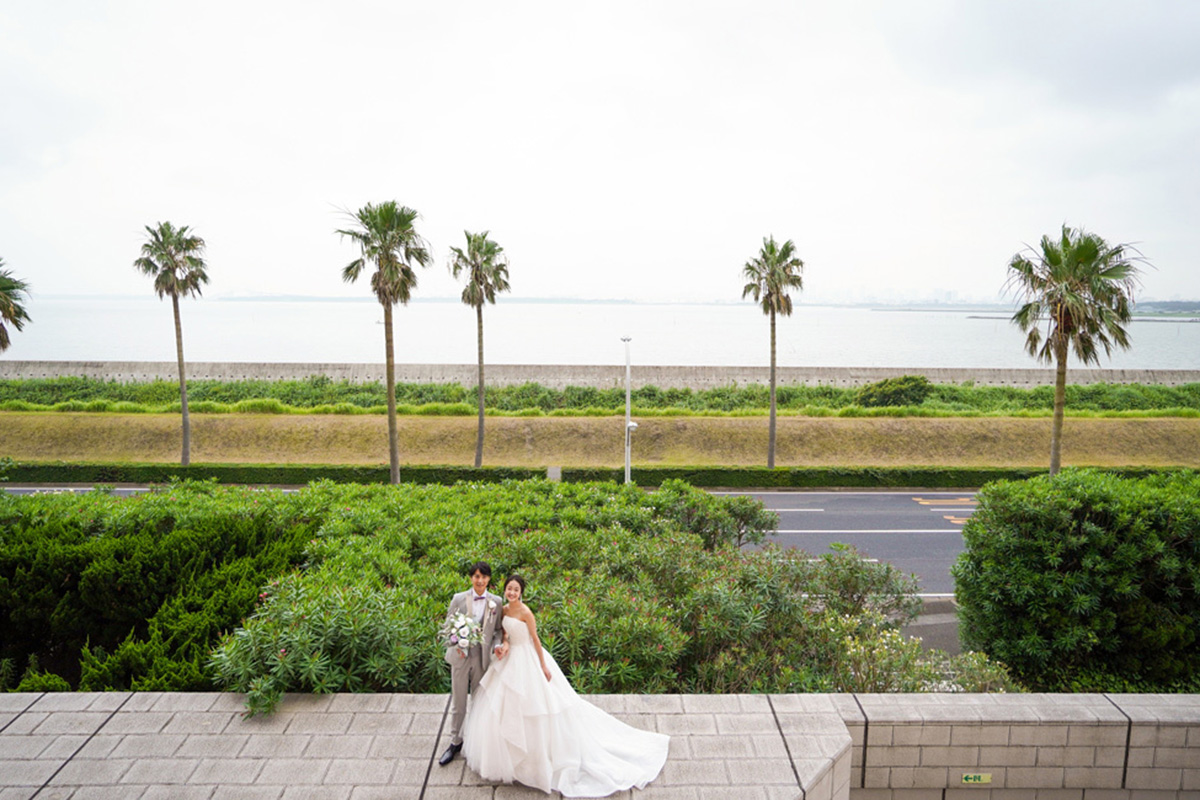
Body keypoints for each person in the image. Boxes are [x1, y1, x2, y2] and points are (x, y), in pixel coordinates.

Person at [461, 574, 669, 797]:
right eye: (509, 589)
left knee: (538, 708)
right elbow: (506, 633)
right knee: (501, 705)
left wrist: (543, 666)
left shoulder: (525, 612)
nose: (512, 592)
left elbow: (535, 639)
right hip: (508, 660)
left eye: (516, 589)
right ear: (505, 590)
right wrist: (505, 645)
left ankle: (537, 760)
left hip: (528, 660)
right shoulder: (504, 610)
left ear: (521, 592)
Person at [438, 561, 507, 767]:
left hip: (482, 657)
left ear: (489, 579)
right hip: (460, 656)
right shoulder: (459, 598)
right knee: (459, 702)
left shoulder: (496, 601)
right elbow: (448, 624)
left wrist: (496, 646)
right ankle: (455, 742)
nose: (480, 580)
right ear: (471, 578)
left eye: (484, 577)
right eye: (476, 576)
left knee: (479, 701)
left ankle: (477, 744)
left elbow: (497, 631)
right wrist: (455, 639)